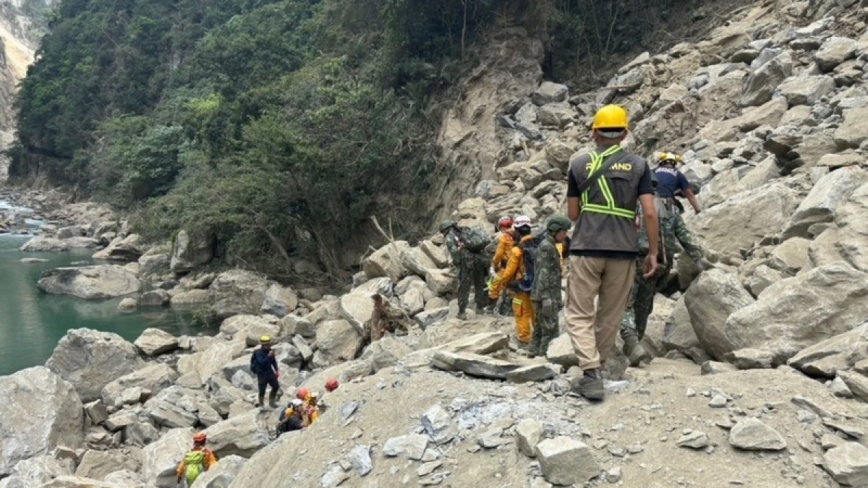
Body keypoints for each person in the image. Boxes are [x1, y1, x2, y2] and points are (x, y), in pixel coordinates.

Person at [565, 104, 658, 402]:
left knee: (579, 312)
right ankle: (598, 368)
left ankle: (590, 372)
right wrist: (652, 252)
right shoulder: (640, 166)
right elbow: (649, 213)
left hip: (586, 248)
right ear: (625, 132)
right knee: (610, 314)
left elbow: (573, 214)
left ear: (594, 132)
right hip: (623, 251)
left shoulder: (579, 164)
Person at [620, 172, 711, 367]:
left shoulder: (630, 205)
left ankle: (633, 345)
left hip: (632, 261)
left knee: (624, 304)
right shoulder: (671, 208)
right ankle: (634, 353)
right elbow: (684, 236)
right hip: (660, 264)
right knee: (643, 307)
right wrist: (699, 258)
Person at [488, 215, 536, 346]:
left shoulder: (516, 249)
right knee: (535, 311)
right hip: (536, 284)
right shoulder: (537, 243)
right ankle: (539, 337)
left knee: (520, 311)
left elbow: (508, 269)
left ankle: (524, 339)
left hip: (519, 285)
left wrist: (504, 282)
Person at [529, 214, 571, 357]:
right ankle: (545, 357)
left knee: (541, 327)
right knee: (550, 328)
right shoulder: (547, 247)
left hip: (544, 293)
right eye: (563, 232)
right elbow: (543, 272)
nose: (565, 235)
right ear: (555, 230)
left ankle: (533, 352)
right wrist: (546, 297)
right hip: (546, 295)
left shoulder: (550, 245)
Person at [440, 220, 490, 319]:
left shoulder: (450, 237)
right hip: (480, 261)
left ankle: (462, 312)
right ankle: (480, 309)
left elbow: (454, 252)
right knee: (480, 285)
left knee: (464, 288)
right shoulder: (465, 232)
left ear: (445, 230)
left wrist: (457, 263)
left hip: (467, 264)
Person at [250, 336, 280, 408]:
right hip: (261, 373)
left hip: (269, 371)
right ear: (262, 345)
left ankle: (272, 401)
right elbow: (262, 362)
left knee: (276, 386)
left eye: (268, 344)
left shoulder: (270, 351)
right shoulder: (258, 353)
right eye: (266, 344)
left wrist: (276, 370)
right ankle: (261, 404)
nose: (267, 346)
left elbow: (273, 361)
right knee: (262, 390)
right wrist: (269, 356)